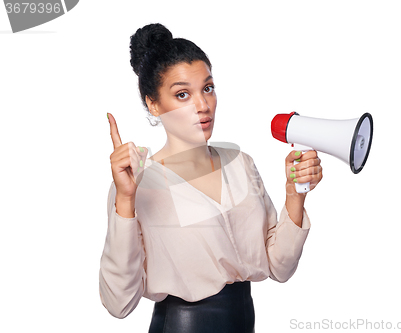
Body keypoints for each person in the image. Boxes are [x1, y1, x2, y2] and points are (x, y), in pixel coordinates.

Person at [99, 23, 323, 333]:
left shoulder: (241, 164)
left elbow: (279, 267)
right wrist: (125, 199)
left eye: (207, 88)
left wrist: (295, 195)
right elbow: (118, 303)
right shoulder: (139, 183)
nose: (202, 106)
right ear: (153, 103)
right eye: (182, 94)